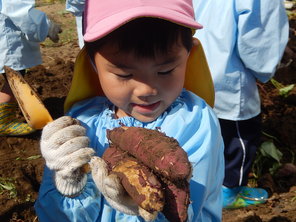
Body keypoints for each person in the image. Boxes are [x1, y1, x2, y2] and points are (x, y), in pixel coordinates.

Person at [34, 0, 225, 221]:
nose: (146, 90)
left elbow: (185, 211)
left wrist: (147, 209)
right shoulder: (82, 123)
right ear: (93, 65)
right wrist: (68, 186)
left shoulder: (195, 123)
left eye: (166, 70)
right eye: (124, 75)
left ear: (189, 56)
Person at [193, 0, 289, 208]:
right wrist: (266, 67)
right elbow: (259, 39)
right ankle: (228, 191)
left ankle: (200, 186)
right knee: (239, 138)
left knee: (199, 133)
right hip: (228, 75)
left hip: (192, 66)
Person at [0, 0, 62, 136]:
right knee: (14, 76)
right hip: (6, 37)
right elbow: (22, 12)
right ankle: (3, 121)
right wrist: (46, 26)